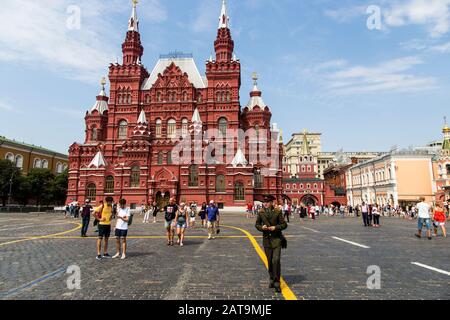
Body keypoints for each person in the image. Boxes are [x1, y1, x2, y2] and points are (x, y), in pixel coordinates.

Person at [255, 195, 288, 294]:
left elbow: (284, 225)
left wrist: (275, 228)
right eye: (264, 202)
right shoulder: (261, 213)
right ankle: (272, 278)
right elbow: (257, 224)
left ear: (271, 203)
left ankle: (277, 283)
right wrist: (262, 228)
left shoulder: (277, 212)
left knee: (276, 260)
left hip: (276, 239)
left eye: (267, 202)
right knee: (269, 261)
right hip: (267, 240)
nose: (265, 204)